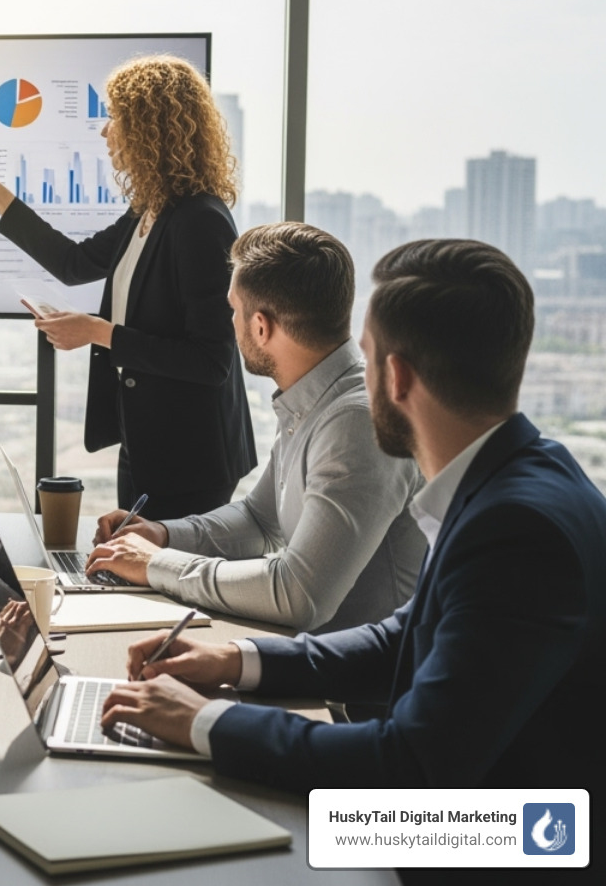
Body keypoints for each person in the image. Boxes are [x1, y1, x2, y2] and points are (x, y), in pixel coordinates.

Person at [100, 239, 606, 791]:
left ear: (398, 377)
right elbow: (402, 639)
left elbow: (407, 763)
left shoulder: (515, 531)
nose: (354, 376)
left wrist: (202, 721)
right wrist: (233, 659)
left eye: (365, 357)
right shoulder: (517, 478)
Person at [0, 55, 255, 520]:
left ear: (152, 128)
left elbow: (211, 361)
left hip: (191, 456)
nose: (105, 131)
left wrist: (96, 331)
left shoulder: (199, 221)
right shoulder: (150, 211)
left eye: (116, 117)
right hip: (146, 443)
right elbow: (72, 263)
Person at [85, 223, 427, 632]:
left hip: (355, 689)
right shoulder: (315, 398)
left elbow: (299, 595)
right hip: (309, 659)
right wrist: (162, 535)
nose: (229, 322)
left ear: (261, 327)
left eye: (233, 310)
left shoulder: (357, 424)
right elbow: (261, 520)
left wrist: (157, 565)